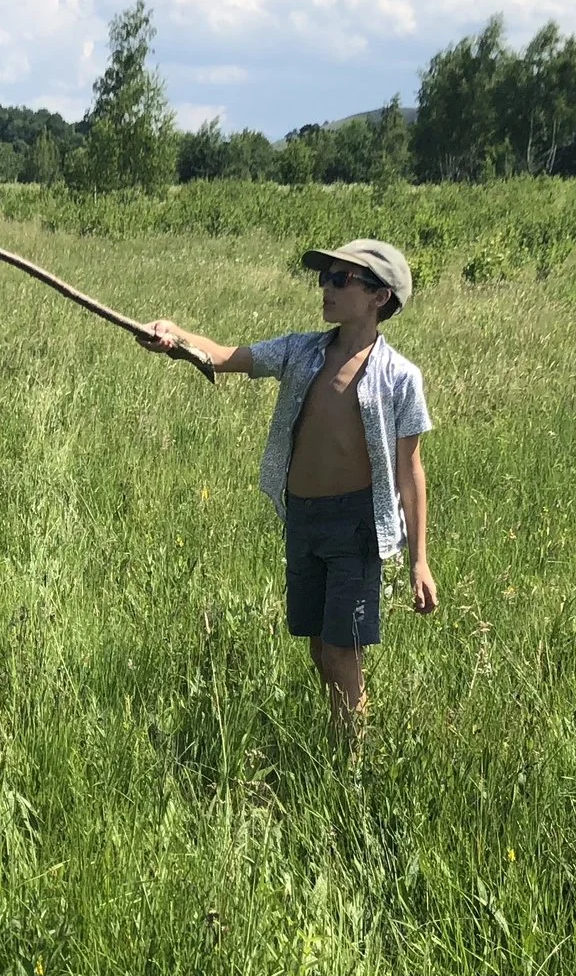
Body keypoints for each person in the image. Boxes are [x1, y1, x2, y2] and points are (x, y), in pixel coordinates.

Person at [140, 240, 437, 735]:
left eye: (341, 279)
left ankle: (352, 756)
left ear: (379, 297)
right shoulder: (302, 351)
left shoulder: (400, 378)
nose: (326, 287)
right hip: (303, 519)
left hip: (356, 527)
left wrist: (419, 560)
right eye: (325, 277)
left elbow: (411, 471)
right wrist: (176, 336)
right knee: (319, 642)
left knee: (342, 648)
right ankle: (344, 723)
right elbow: (225, 356)